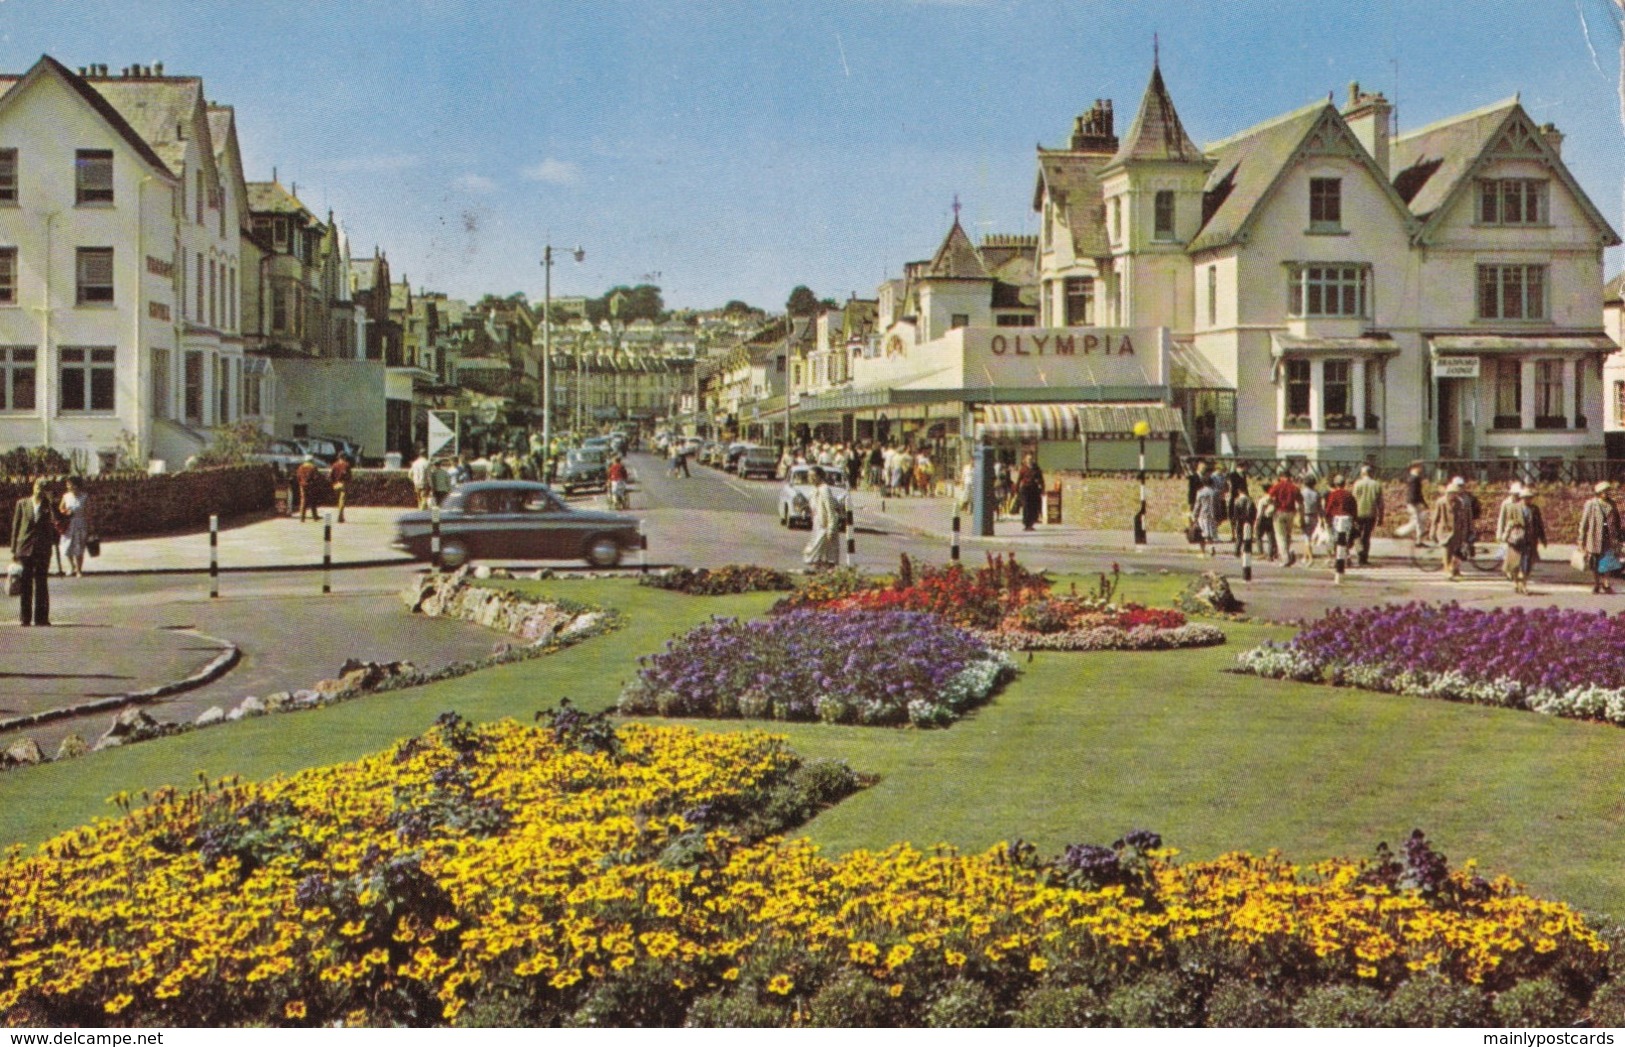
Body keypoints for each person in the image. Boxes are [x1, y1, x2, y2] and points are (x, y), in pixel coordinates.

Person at [11, 477, 58, 626]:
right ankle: (25, 617)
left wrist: (52, 503)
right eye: (38, 487)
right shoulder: (23, 504)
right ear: (34, 487)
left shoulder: (48, 505)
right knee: (25, 584)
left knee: (41, 582)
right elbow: (16, 527)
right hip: (25, 548)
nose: (40, 490)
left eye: (44, 488)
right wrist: (14, 550)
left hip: (43, 548)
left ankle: (41, 618)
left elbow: (58, 520)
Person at [1578, 481, 1621, 594]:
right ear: (1599, 492)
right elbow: (1584, 522)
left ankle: (1606, 583)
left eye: (1608, 491)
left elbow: (1617, 521)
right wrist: (1581, 539)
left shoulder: (1612, 504)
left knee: (1607, 560)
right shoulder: (1591, 504)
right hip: (1594, 537)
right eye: (1604, 491)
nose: (1607, 493)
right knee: (1595, 562)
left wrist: (1618, 536)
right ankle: (1596, 583)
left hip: (1609, 537)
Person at [1431, 476, 1475, 580]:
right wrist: (1432, 531)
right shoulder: (1441, 502)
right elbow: (1435, 518)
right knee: (1446, 551)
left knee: (1457, 552)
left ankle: (1455, 570)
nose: (1454, 495)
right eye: (1452, 493)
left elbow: (1466, 517)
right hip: (1445, 531)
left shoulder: (1461, 502)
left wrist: (1468, 529)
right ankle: (1447, 570)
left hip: (1458, 531)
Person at [802, 467, 842, 569]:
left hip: (825, 525)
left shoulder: (825, 490)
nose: (810, 478)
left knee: (824, 552)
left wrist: (831, 528)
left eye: (813, 476)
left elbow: (830, 510)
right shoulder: (815, 489)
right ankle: (819, 571)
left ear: (819, 477)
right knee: (817, 552)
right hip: (817, 524)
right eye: (809, 476)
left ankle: (826, 571)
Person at [1510, 486, 1548, 595]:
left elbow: (1539, 525)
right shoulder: (1515, 508)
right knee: (1515, 564)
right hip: (1517, 540)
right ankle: (1517, 583)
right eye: (1526, 497)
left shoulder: (1534, 509)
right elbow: (1508, 523)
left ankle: (1524, 585)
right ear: (1521, 498)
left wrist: (1543, 538)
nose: (1528, 500)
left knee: (1527, 564)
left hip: (1530, 540)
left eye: (1530, 498)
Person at [56, 476, 91, 578]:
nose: (67, 486)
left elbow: (88, 512)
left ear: (76, 485)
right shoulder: (66, 496)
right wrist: (66, 512)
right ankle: (72, 566)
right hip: (68, 524)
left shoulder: (84, 497)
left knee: (79, 548)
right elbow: (60, 508)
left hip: (81, 524)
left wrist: (90, 526)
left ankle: (79, 570)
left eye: (69, 484)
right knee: (66, 547)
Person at [1266, 470, 1303, 566]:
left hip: (1279, 512)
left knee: (1280, 536)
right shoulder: (1295, 487)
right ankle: (1288, 553)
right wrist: (1301, 516)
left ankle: (1285, 558)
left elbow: (1268, 498)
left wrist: (1272, 504)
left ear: (1281, 477)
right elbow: (1300, 502)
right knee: (1288, 535)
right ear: (1290, 477)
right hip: (1291, 513)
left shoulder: (1277, 486)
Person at [1323, 475, 1359, 569]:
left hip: (1337, 518)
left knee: (1336, 539)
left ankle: (1338, 560)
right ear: (1344, 484)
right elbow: (1354, 508)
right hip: (1347, 518)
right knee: (1345, 539)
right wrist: (1355, 519)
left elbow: (1329, 507)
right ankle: (1346, 558)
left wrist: (1326, 518)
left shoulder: (1333, 494)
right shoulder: (1349, 494)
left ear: (1335, 484)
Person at [1351, 464, 1384, 566]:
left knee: (1356, 534)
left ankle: (1360, 551)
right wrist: (1381, 516)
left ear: (1362, 473)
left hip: (1358, 513)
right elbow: (1380, 503)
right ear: (1371, 473)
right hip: (1371, 514)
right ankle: (1364, 559)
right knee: (1366, 536)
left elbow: (1353, 500)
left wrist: (1351, 513)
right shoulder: (1377, 485)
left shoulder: (1357, 484)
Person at [1395, 461, 1427, 545]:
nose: (1421, 468)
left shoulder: (1412, 477)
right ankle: (1417, 540)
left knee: (1417, 521)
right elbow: (1415, 492)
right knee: (1417, 521)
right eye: (1420, 466)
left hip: (1413, 502)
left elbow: (1417, 492)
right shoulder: (1414, 478)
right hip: (1413, 502)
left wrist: (1423, 502)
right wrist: (1419, 502)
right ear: (1414, 467)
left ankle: (1400, 532)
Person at [1016, 453, 1045, 531]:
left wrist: (1042, 489)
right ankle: (1026, 523)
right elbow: (1019, 479)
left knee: (1033, 507)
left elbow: (1041, 479)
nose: (1030, 460)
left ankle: (1031, 524)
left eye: (1031, 459)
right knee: (1026, 505)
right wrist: (1016, 489)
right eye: (1028, 459)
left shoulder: (1036, 468)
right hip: (1025, 489)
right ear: (1025, 460)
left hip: (1034, 489)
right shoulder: (1023, 468)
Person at [1298, 475, 1322, 568]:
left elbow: (1300, 505)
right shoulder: (1316, 493)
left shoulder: (1302, 493)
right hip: (1314, 516)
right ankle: (1305, 556)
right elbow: (1320, 506)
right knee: (1309, 537)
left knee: (1306, 537)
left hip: (1305, 515)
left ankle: (1311, 558)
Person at [1192, 478, 1219, 557]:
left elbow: (1197, 505)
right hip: (1213, 515)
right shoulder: (1215, 493)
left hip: (1203, 515)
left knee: (1202, 534)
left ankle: (1203, 551)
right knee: (1211, 533)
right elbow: (1218, 505)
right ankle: (1211, 547)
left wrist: (1194, 515)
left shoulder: (1200, 493)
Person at [1230, 479, 1256, 559]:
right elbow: (1254, 511)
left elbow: (1235, 512)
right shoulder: (1250, 500)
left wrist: (1234, 520)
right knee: (1248, 536)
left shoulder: (1237, 501)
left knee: (1239, 537)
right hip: (1248, 520)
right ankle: (1248, 551)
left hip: (1239, 521)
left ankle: (1237, 551)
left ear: (1239, 491)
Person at [295, 454, 320, 522]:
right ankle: (315, 517)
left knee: (303, 501)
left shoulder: (300, 467)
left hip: (302, 485)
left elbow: (298, 477)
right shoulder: (313, 467)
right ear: (311, 460)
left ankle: (302, 517)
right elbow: (316, 477)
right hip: (311, 485)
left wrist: (300, 483)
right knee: (313, 501)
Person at [329, 453, 351, 524]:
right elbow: (349, 475)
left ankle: (341, 516)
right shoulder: (346, 465)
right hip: (343, 484)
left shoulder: (334, 465)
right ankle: (340, 517)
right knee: (342, 501)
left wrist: (333, 483)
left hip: (336, 484)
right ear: (344, 457)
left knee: (338, 501)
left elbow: (330, 475)